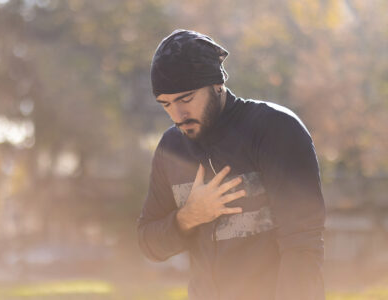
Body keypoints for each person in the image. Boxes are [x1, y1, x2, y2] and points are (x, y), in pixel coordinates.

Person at [137, 29, 325, 300]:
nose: (178, 115)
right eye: (166, 104)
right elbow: (148, 242)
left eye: (186, 99)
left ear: (217, 84)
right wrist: (189, 216)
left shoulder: (276, 130)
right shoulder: (171, 148)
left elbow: (303, 245)